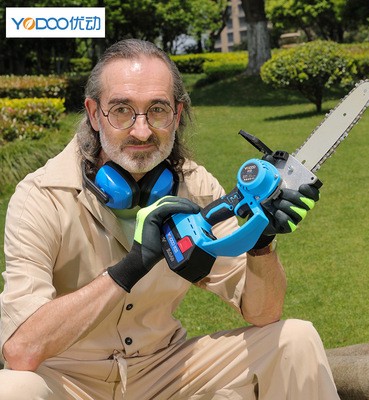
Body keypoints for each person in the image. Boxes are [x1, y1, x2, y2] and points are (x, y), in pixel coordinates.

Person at [0, 39, 340, 400]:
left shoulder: (195, 186)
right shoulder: (41, 196)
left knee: (295, 340)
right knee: (13, 388)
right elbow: (21, 350)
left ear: (177, 115)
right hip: (67, 379)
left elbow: (263, 312)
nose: (142, 131)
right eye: (121, 110)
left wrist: (262, 241)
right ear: (95, 114)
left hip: (163, 371)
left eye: (157, 110)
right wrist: (129, 269)